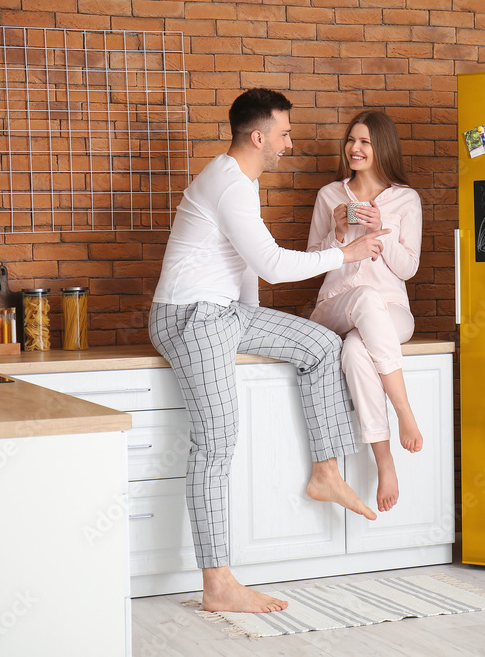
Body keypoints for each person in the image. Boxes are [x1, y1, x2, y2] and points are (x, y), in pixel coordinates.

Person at [148, 89, 390, 614]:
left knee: (323, 345)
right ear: (258, 137)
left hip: (224, 315)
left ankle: (326, 471)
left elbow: (247, 269)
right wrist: (343, 251)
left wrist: (255, 324)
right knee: (216, 442)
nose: (290, 141)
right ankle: (217, 584)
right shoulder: (229, 185)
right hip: (191, 317)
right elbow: (275, 264)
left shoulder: (240, 182)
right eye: (284, 133)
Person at [306, 110, 423, 514]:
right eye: (352, 140)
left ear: (382, 148)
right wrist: (337, 234)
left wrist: (380, 232)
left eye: (365, 142)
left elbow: (409, 267)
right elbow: (310, 261)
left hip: (392, 310)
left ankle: (384, 459)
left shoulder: (406, 199)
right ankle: (404, 410)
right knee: (363, 302)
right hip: (335, 305)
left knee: (357, 350)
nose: (355, 149)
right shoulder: (329, 195)